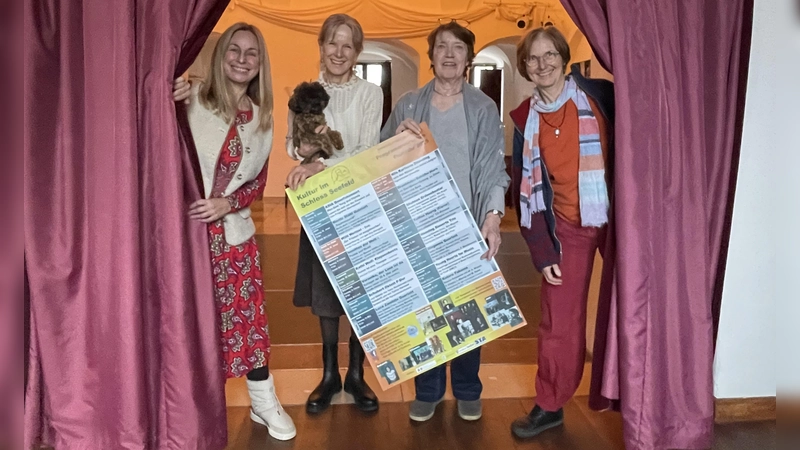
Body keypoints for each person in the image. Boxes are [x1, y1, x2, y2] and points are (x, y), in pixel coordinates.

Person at [380, 21, 510, 423]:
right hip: (417, 226)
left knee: (469, 310)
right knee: (424, 311)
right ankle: (428, 389)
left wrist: (492, 215)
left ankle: (468, 388)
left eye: (457, 48)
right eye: (441, 47)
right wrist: (395, 141)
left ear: (468, 58)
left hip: (466, 224)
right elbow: (379, 159)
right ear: (431, 55)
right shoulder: (408, 104)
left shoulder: (483, 107)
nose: (449, 54)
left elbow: (492, 169)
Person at [172, 23, 296, 441]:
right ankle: (196, 408)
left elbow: (258, 183)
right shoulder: (193, 99)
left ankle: (263, 403)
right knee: (194, 326)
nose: (242, 61)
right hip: (185, 240)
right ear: (221, 54)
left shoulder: (262, 115)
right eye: (234, 51)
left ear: (261, 63)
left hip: (234, 239)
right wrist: (170, 95)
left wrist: (228, 203)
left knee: (248, 323)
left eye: (252, 54)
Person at [507, 26, 614, 439]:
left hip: (619, 217)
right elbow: (524, 190)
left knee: (638, 306)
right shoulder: (523, 119)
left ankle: (646, 394)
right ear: (525, 67)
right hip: (567, 226)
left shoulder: (600, 95)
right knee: (559, 322)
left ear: (564, 57)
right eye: (533, 58)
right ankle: (550, 404)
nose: (543, 64)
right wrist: (543, 251)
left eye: (550, 54)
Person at [286, 14, 384, 414]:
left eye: (348, 45)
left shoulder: (370, 93)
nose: (339, 52)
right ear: (321, 47)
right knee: (326, 295)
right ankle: (329, 375)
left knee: (359, 293)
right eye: (332, 44)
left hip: (359, 204)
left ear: (357, 52)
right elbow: (293, 148)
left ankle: (356, 375)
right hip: (320, 205)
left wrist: (321, 164)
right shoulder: (304, 93)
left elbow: (366, 150)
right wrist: (308, 156)